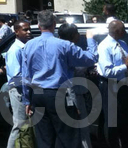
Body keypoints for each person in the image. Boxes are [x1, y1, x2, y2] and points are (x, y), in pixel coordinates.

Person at [22, 10, 98, 148]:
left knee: (44, 139)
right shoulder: (64, 45)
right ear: (54, 24)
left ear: (38, 25)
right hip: (59, 94)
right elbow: (91, 58)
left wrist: (27, 99)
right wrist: (90, 39)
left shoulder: (28, 45)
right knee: (68, 138)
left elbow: (25, 76)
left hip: (38, 95)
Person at [97, 19, 128, 148]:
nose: (125, 32)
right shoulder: (104, 46)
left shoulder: (122, 44)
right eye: (123, 29)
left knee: (127, 119)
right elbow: (107, 71)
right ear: (117, 31)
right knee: (112, 122)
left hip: (124, 84)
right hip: (110, 85)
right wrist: (126, 66)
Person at [0, 20, 31, 148]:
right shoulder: (15, 50)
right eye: (25, 30)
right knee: (19, 125)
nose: (29, 32)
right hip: (19, 92)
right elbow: (15, 78)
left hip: (26, 90)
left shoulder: (25, 47)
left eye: (29, 29)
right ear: (16, 32)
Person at [57, 23, 93, 148]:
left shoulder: (56, 48)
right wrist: (90, 39)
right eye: (77, 33)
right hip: (73, 94)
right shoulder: (70, 49)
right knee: (81, 129)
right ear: (73, 35)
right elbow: (92, 58)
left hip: (59, 93)